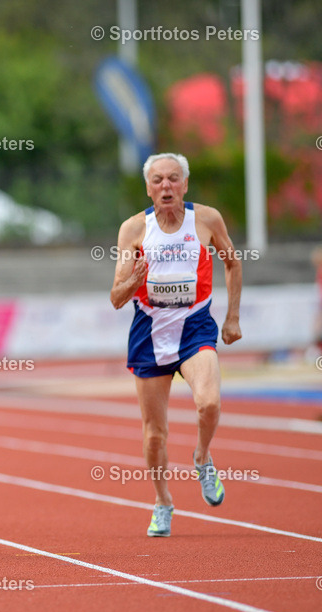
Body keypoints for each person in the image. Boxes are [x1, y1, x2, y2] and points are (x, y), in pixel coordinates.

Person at [110, 153, 243, 538]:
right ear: (147, 188)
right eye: (157, 180)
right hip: (149, 334)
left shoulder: (206, 219)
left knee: (210, 403)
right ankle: (163, 501)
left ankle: (202, 457)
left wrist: (232, 317)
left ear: (185, 184)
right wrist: (134, 280)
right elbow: (116, 297)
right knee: (154, 433)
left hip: (195, 328)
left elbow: (232, 262)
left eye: (172, 179)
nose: (165, 186)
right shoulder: (133, 230)